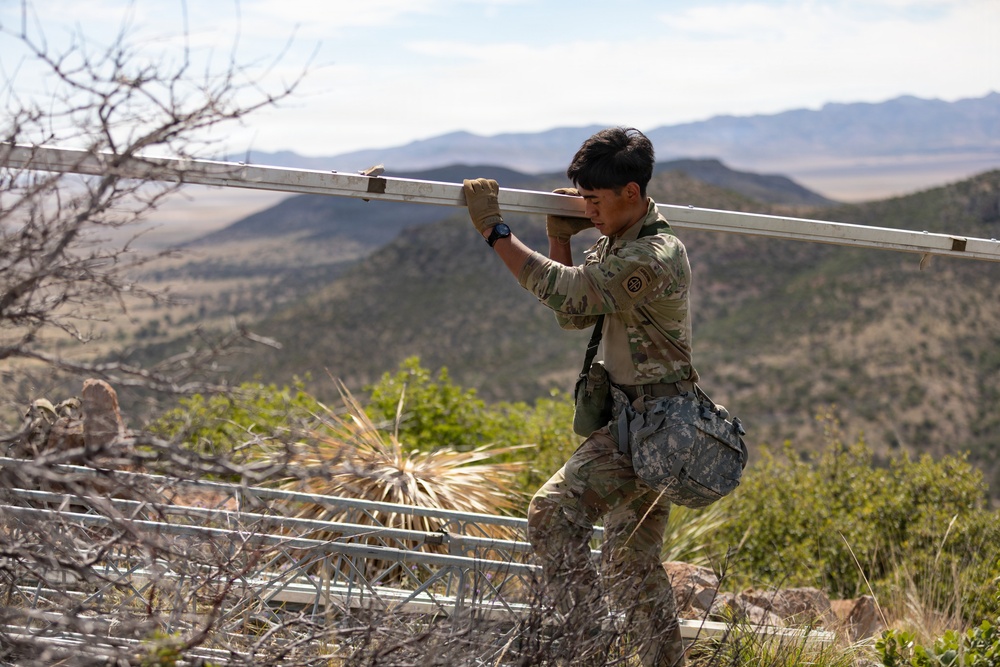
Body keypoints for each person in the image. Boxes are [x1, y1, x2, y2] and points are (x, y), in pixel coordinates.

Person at [463, 127, 695, 666]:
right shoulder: (621, 242)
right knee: (629, 562)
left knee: (550, 515)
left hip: (653, 424)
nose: (588, 208)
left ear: (631, 194)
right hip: (645, 423)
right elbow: (576, 316)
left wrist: (496, 230)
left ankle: (586, 651)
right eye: (583, 199)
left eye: (595, 200)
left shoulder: (654, 254)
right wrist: (562, 239)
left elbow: (569, 292)